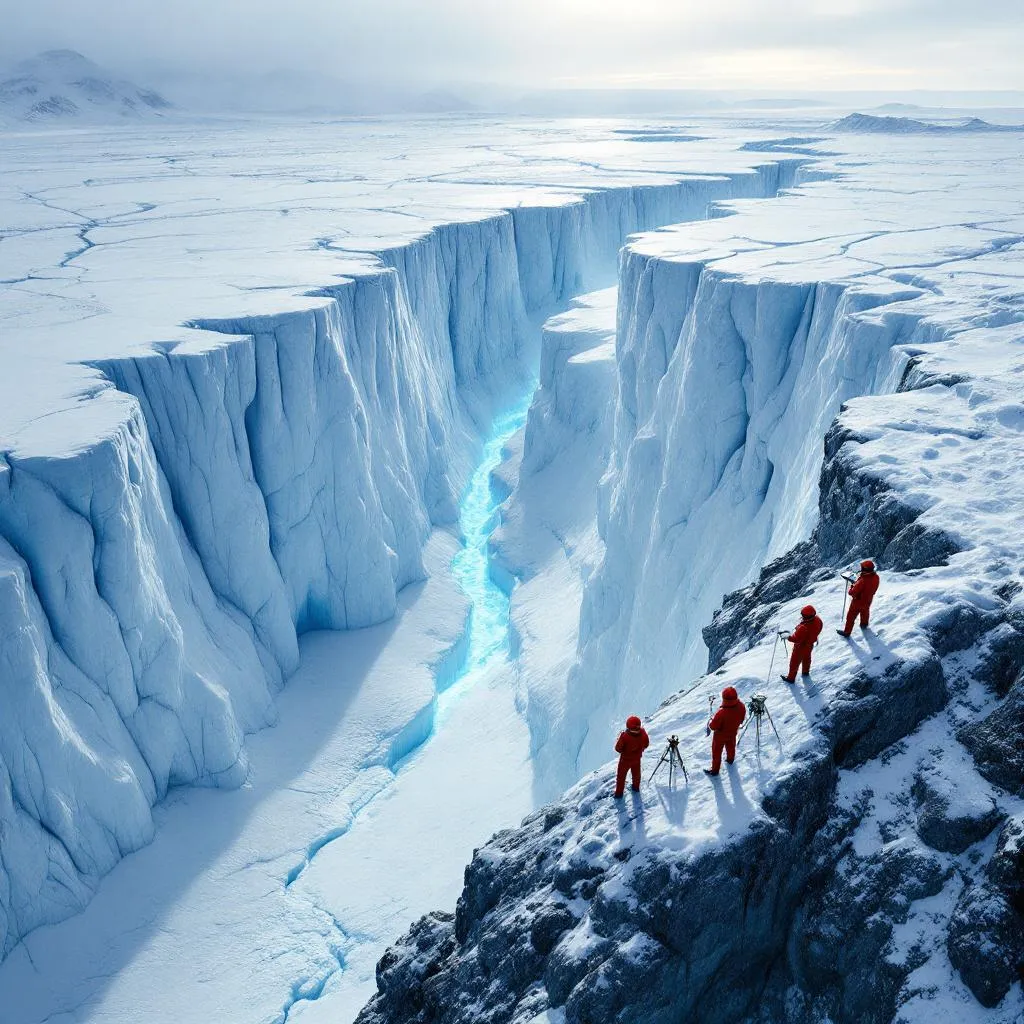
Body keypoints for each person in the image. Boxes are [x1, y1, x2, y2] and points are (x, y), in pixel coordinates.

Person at [704, 686, 746, 775]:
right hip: (733, 732)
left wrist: (711, 721)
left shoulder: (721, 712)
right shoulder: (741, 706)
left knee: (717, 752)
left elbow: (713, 727)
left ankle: (715, 770)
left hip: (720, 736)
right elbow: (742, 719)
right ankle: (730, 759)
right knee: (731, 747)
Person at [782, 604, 824, 682]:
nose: (802, 616)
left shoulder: (803, 628)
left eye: (803, 615)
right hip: (809, 644)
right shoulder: (818, 620)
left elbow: (796, 639)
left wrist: (787, 636)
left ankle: (791, 678)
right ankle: (805, 672)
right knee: (807, 658)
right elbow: (820, 627)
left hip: (800, 647)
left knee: (794, 662)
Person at [838, 560, 880, 637]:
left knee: (851, 616)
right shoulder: (876, 577)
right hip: (868, 600)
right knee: (865, 611)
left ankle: (847, 632)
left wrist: (852, 586)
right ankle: (864, 624)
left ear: (865, 569)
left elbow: (851, 592)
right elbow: (872, 588)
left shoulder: (862, 580)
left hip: (858, 602)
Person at [613, 715, 650, 797]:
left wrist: (618, 738)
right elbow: (646, 743)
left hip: (625, 760)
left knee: (621, 777)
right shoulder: (643, 732)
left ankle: (619, 794)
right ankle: (636, 787)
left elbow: (618, 749)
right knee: (636, 774)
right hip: (637, 759)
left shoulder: (625, 736)